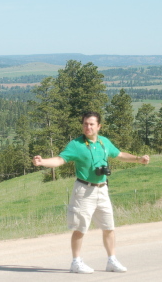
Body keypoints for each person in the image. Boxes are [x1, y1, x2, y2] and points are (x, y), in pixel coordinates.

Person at [32, 111, 150, 274]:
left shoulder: (104, 142)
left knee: (109, 227)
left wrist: (138, 159)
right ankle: (76, 262)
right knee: (80, 228)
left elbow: (120, 154)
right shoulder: (76, 144)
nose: (88, 127)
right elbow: (60, 160)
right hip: (84, 190)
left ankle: (112, 260)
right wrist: (42, 162)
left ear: (99, 126)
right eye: (85, 124)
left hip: (102, 189)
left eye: (91, 124)